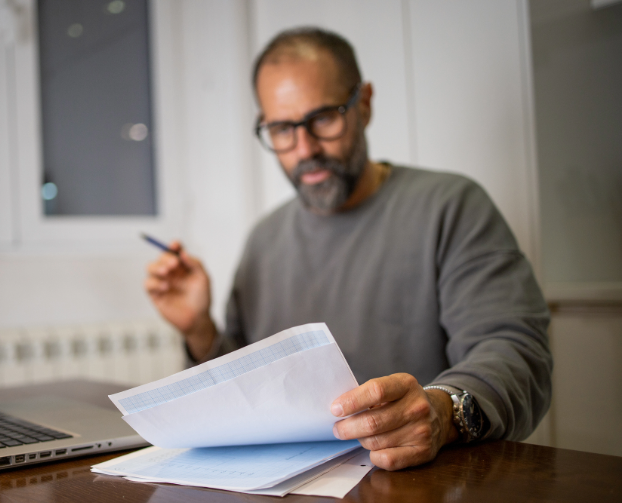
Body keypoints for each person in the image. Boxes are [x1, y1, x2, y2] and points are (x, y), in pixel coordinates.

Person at [144, 27, 552, 471]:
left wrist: (442, 412)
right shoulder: (264, 239)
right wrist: (200, 329)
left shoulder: (451, 207)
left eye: (322, 119)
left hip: (427, 496)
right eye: (282, 129)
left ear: (365, 103)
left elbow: (518, 353)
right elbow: (247, 392)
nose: (305, 149)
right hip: (289, 500)